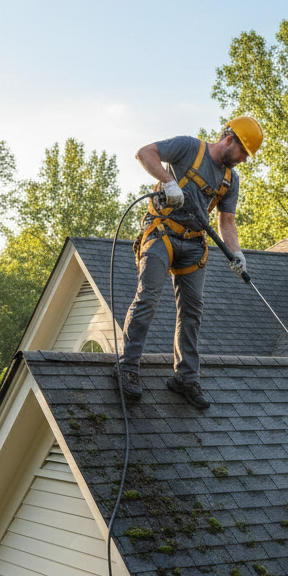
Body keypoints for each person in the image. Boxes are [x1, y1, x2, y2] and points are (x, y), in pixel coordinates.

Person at [115, 117, 263, 410]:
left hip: (194, 244)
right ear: (230, 139)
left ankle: (186, 378)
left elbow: (227, 221)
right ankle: (127, 367)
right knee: (149, 298)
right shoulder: (188, 147)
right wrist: (169, 183)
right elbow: (145, 152)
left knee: (193, 312)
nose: (245, 160)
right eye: (244, 152)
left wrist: (237, 254)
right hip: (162, 233)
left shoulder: (230, 179)